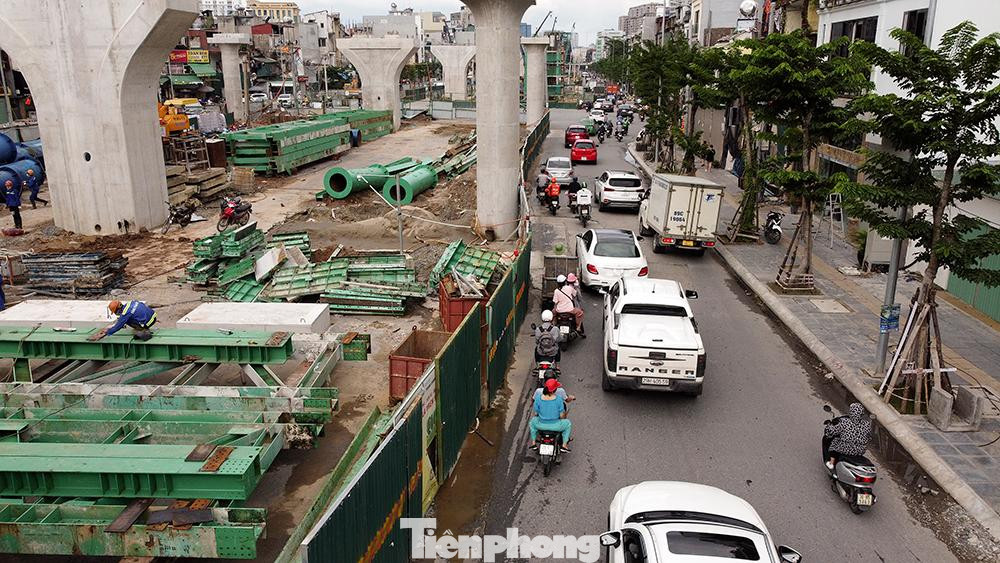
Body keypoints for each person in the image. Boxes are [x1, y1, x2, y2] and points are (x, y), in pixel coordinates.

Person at [824, 402, 874, 470]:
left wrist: (828, 426)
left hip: (844, 449)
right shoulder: (866, 424)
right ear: (861, 413)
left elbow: (832, 431)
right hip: (859, 451)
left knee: (834, 443)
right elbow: (869, 437)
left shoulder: (844, 422)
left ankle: (831, 463)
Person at [529, 378, 572, 452]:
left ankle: (533, 443)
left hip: (541, 425)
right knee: (568, 424)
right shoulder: (558, 399)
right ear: (555, 390)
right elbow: (561, 415)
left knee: (532, 422)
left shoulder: (538, 398)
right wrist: (563, 418)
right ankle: (564, 445)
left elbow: (536, 413)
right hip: (556, 426)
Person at [89, 300, 158, 341]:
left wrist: (107, 333)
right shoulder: (130, 303)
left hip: (148, 322)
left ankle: (144, 333)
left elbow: (118, 327)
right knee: (129, 318)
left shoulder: (125, 314)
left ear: (117, 310)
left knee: (127, 322)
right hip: (153, 316)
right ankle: (143, 326)